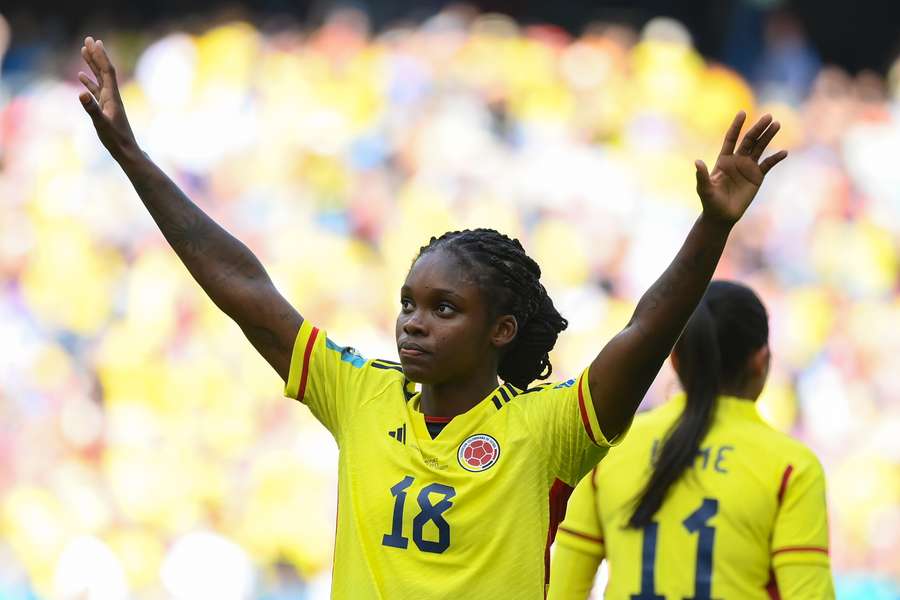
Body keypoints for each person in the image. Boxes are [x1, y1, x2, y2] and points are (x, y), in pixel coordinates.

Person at [77, 35, 787, 599]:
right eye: (408, 304)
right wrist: (132, 157)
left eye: (444, 308)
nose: (413, 323)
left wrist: (711, 229)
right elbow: (244, 287)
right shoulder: (360, 394)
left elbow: (644, 331)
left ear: (500, 331)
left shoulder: (547, 433)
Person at [547, 281, 834, 599]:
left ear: (675, 360)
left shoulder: (610, 449)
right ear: (760, 360)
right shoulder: (791, 467)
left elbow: (563, 590)